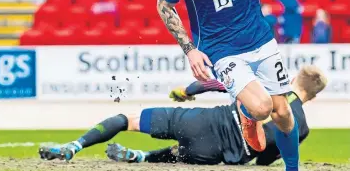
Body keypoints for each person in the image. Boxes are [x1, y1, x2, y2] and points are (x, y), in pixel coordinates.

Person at [156, 0, 314, 171]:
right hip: (222, 50)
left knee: (284, 114)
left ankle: (293, 169)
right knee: (262, 107)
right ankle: (246, 114)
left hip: (261, 41)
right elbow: (163, 6)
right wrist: (190, 49)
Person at [38, 65, 327, 166]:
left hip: (204, 121)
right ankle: (142, 159)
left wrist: (189, 90)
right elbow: (265, 157)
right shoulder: (301, 129)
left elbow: (220, 82)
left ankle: (73, 147)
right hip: (223, 153)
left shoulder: (267, 88)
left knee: (129, 119)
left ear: (293, 79)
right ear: (313, 96)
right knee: (181, 154)